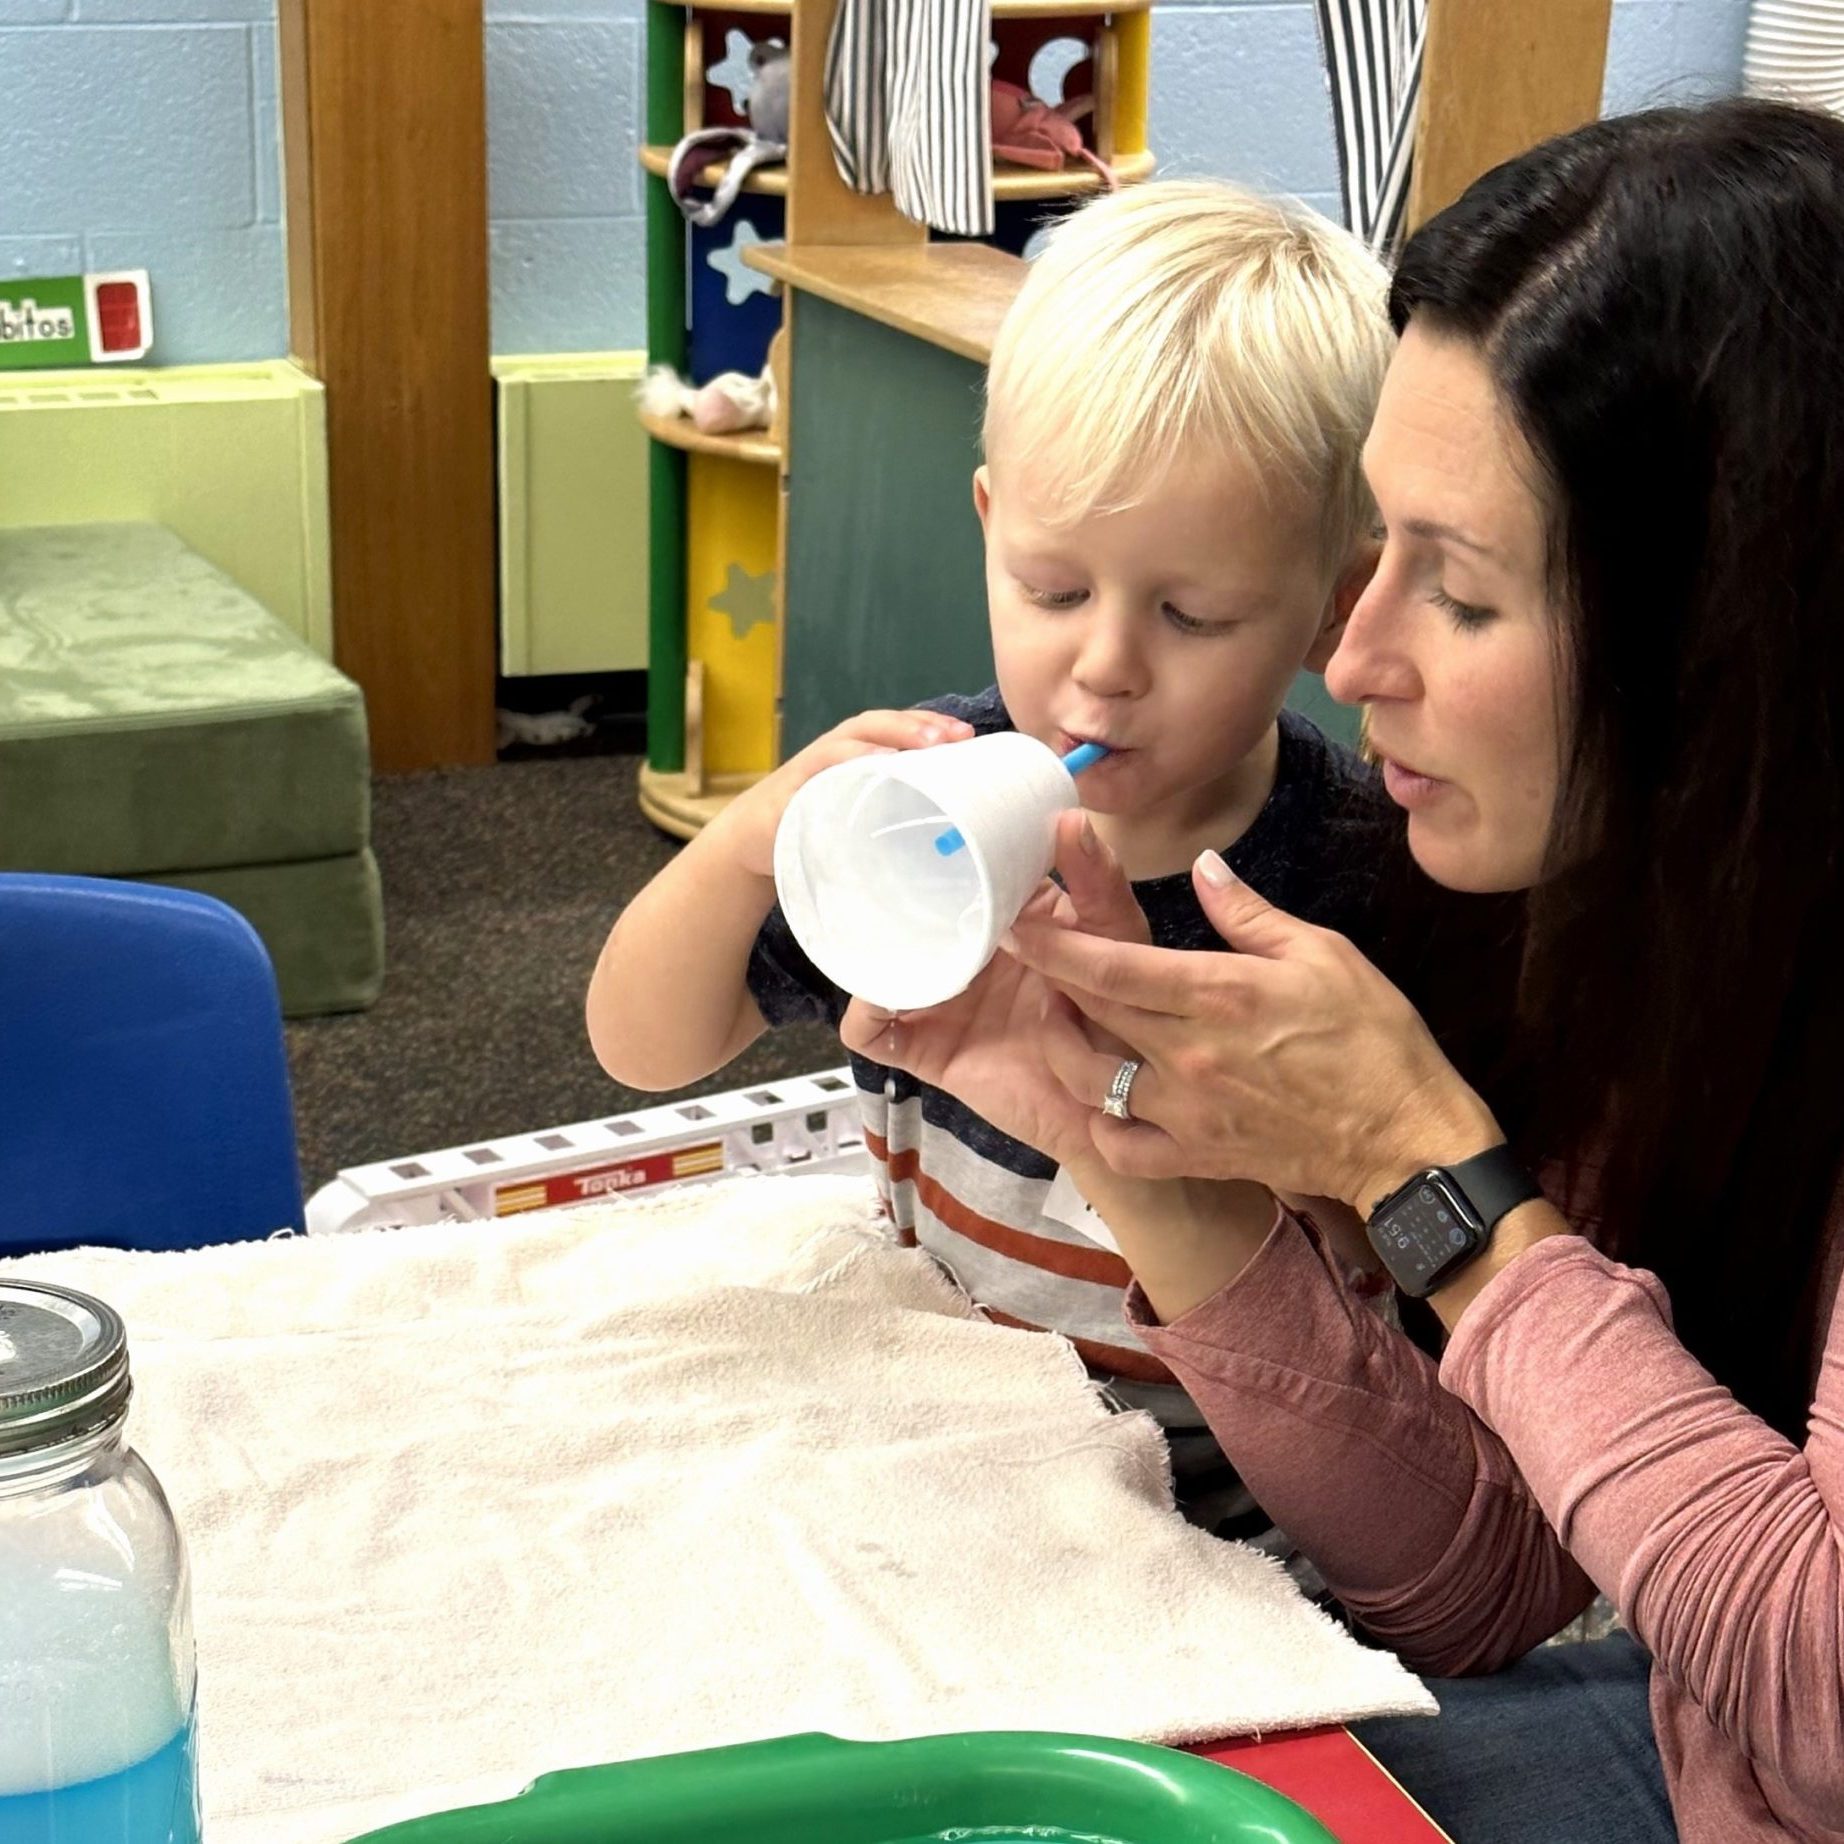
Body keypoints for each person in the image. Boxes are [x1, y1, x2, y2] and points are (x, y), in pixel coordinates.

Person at [893, 101, 1843, 1843]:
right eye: (1373, 547)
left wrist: (1428, 1176)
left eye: (1458, 596)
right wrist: (1130, 1138)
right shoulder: (1629, 935)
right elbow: (1479, 1593)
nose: (1352, 653)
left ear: (1729, 648)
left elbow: (1817, 1696)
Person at [588, 180, 1441, 1550]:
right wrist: (759, 836)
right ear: (988, 523)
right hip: (952, 1438)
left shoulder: (1353, 888)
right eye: (1051, 589)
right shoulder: (918, 812)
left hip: (1232, 1508)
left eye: (1192, 612)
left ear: (1331, 607)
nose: (1104, 664)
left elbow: (1389, 1291)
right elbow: (643, 1043)